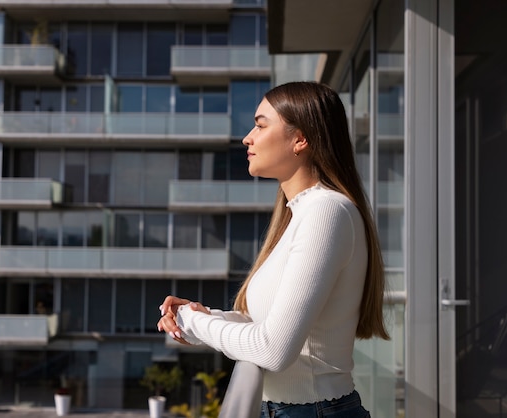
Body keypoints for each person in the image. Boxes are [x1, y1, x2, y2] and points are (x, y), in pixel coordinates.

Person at [158, 81, 390, 418]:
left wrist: (194, 322)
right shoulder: (302, 214)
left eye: (261, 124)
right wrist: (200, 319)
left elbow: (274, 350)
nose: (247, 137)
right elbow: (267, 325)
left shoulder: (326, 212)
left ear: (300, 139)